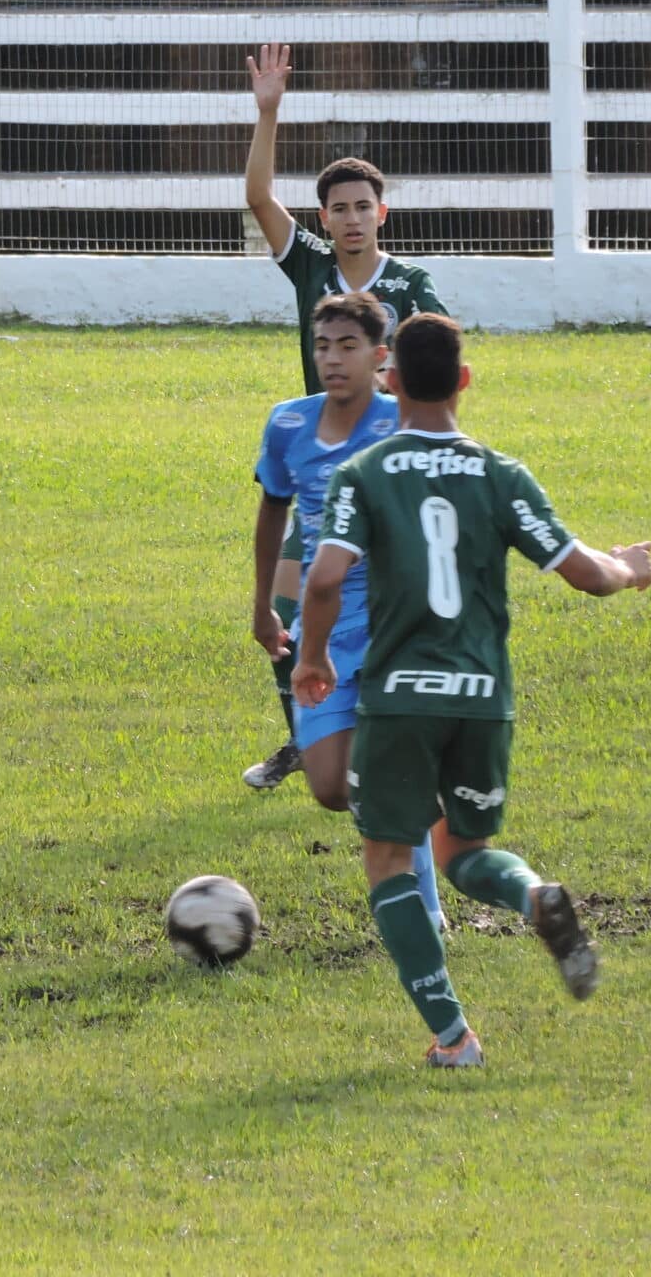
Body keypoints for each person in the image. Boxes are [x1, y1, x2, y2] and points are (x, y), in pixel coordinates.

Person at [294, 314, 651, 1068]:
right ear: (463, 381)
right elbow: (588, 574)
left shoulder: (364, 474)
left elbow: (323, 578)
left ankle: (454, 1038)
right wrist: (630, 566)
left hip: (400, 696)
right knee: (464, 852)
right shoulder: (501, 475)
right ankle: (532, 896)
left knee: (389, 860)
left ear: (390, 380)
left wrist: (313, 658)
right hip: (484, 698)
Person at [240, 40, 450, 793]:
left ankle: (400, 730)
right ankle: (308, 734)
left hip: (389, 468)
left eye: (364, 206)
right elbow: (259, 198)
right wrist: (269, 113)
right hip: (321, 468)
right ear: (324, 219)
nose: (353, 218)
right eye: (340, 208)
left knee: (388, 606)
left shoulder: (412, 283)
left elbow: (443, 371)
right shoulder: (311, 266)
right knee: (285, 604)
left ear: (381, 213)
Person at [252, 292, 444, 930]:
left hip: (398, 623)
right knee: (333, 787)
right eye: (323, 346)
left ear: (379, 357)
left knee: (384, 765)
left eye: (348, 346)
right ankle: (415, 799)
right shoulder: (288, 423)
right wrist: (263, 607)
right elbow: (272, 511)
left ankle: (421, 903)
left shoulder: (404, 422)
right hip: (324, 627)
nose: (332, 359)